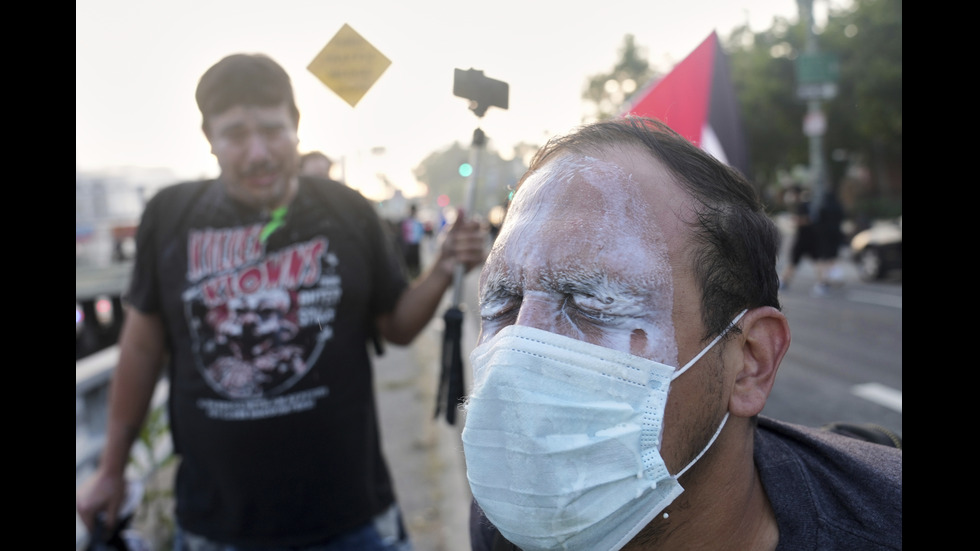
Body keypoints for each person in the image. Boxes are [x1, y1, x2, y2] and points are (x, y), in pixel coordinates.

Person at [75, 52, 487, 551]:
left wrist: (444, 268)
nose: (258, 153)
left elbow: (395, 326)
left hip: (349, 516)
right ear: (210, 140)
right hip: (216, 524)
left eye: (272, 130)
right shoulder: (171, 216)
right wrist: (111, 470)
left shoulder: (346, 210)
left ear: (297, 126)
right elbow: (140, 349)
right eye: (234, 135)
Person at [462, 117, 901, 551]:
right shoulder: (507, 523)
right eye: (502, 304)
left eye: (592, 301)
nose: (516, 356)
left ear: (751, 362)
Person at [399, 203, 425, 279]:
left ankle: (415, 275)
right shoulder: (407, 221)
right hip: (408, 245)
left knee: (415, 262)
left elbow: (421, 233)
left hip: (415, 244)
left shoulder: (417, 222)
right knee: (408, 263)